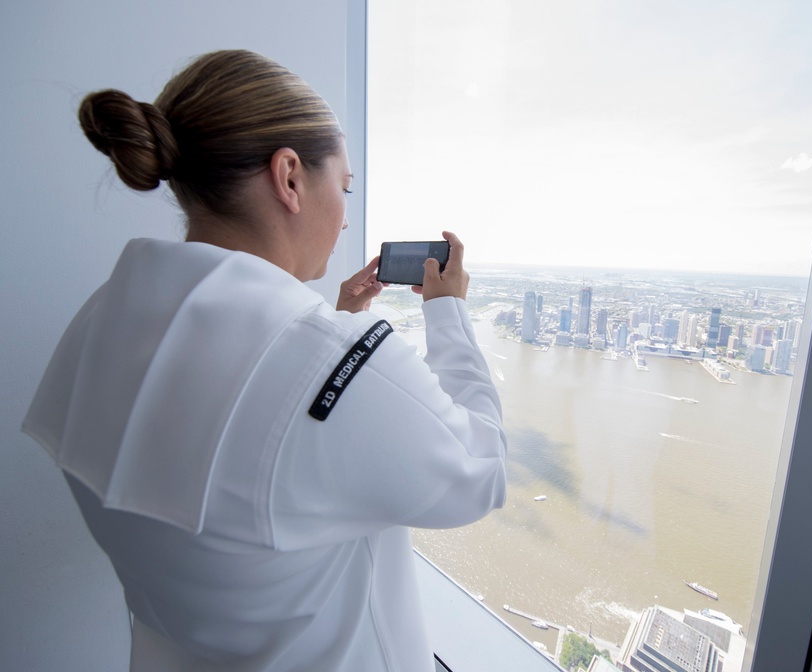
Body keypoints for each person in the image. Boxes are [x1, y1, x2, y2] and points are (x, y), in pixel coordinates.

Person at [21, 50, 507, 672]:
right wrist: (448, 313)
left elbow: (260, 453)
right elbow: (481, 470)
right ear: (290, 178)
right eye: (344, 186)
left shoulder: (103, 317)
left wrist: (335, 324)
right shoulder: (336, 365)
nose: (346, 214)